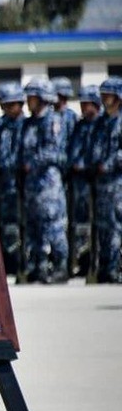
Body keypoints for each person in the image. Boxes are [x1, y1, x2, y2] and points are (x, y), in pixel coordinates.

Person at [19, 77, 69, 284]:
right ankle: (38, 267)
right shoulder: (29, 122)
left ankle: (60, 266)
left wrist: (32, 162)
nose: (28, 101)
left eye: (32, 97)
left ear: (42, 98)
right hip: (31, 184)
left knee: (53, 226)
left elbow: (53, 151)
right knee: (34, 227)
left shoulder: (52, 120)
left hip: (48, 184)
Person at [0, 83, 27, 276]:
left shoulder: (25, 125)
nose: (7, 109)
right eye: (4, 105)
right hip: (3, 183)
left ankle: (22, 263)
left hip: (21, 184)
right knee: (4, 225)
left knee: (21, 224)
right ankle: (9, 264)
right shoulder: (2, 125)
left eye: (11, 105)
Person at [66, 86, 101, 277]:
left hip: (98, 180)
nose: (83, 106)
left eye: (87, 103)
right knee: (80, 225)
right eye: (82, 103)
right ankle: (83, 262)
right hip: (79, 183)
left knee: (100, 224)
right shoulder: (80, 126)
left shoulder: (102, 124)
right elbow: (72, 151)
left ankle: (102, 264)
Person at [92, 77, 122, 283]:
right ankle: (105, 266)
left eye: (108, 95)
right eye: (102, 95)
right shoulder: (102, 122)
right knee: (103, 225)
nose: (104, 99)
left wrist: (109, 163)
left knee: (116, 225)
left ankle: (114, 267)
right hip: (101, 183)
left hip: (117, 181)